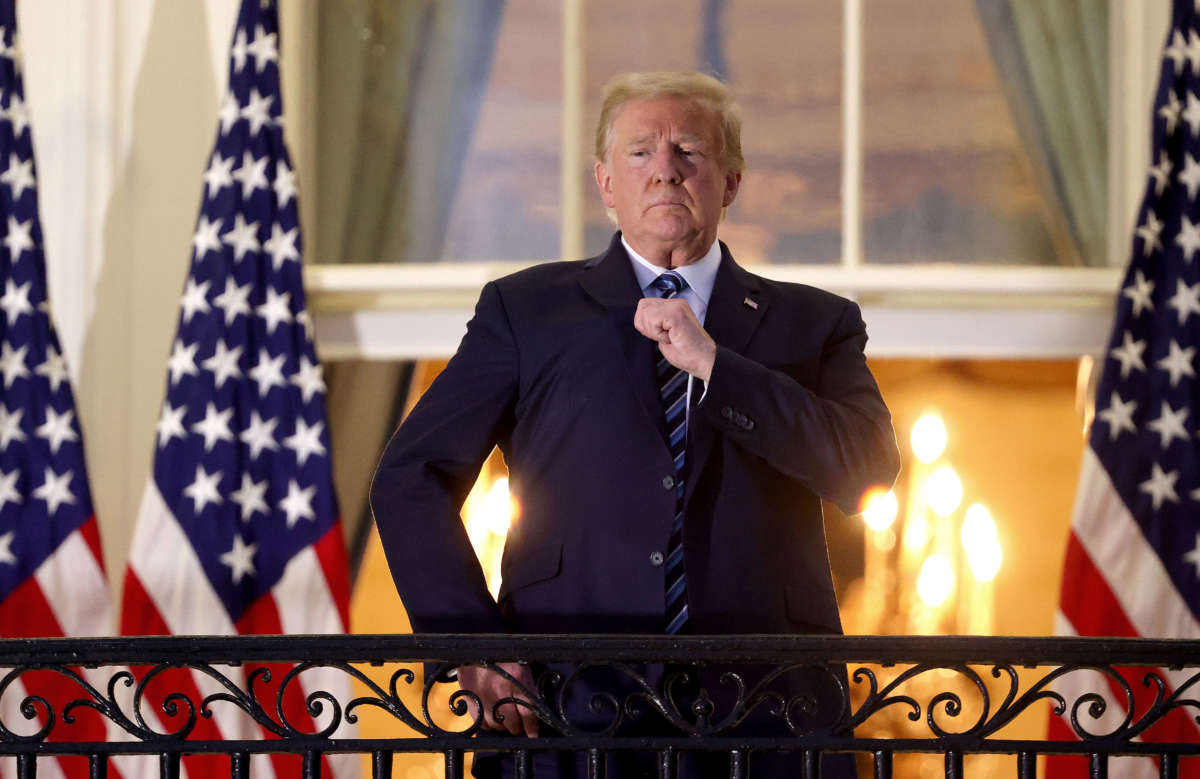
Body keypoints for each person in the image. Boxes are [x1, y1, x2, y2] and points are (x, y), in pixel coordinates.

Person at [370, 71, 901, 777]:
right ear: (605, 182)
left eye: (690, 151)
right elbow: (411, 477)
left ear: (731, 180)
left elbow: (867, 467)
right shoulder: (525, 312)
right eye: (642, 153)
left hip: (771, 715)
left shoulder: (815, 323)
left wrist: (716, 364)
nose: (666, 171)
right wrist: (472, 645)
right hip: (567, 710)